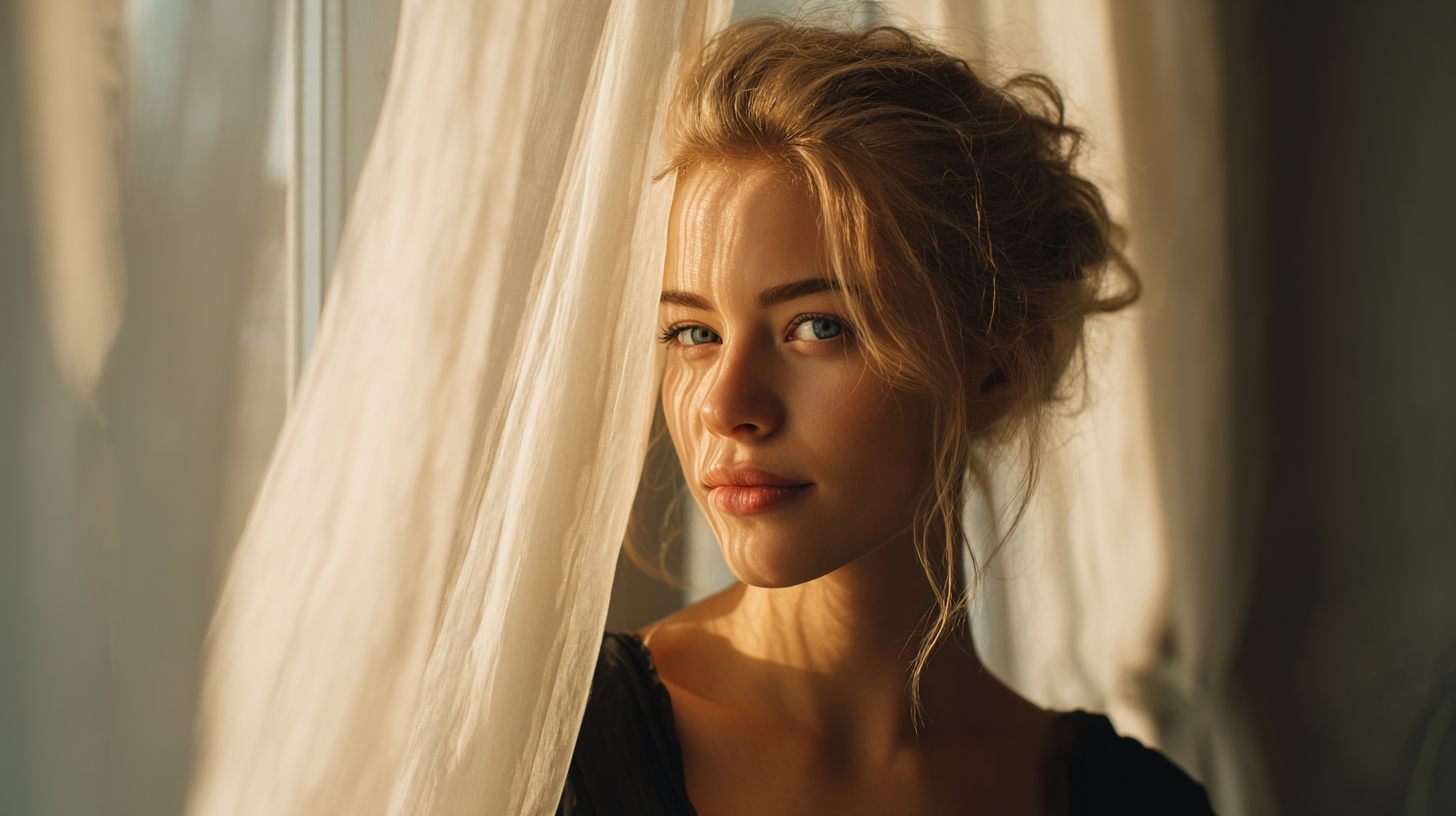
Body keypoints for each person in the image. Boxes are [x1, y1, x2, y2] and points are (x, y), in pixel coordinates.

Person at [558, 19, 1215, 816]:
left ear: (997, 366)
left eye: (817, 327)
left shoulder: (1142, 803)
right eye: (693, 334)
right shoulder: (554, 756)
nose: (725, 407)